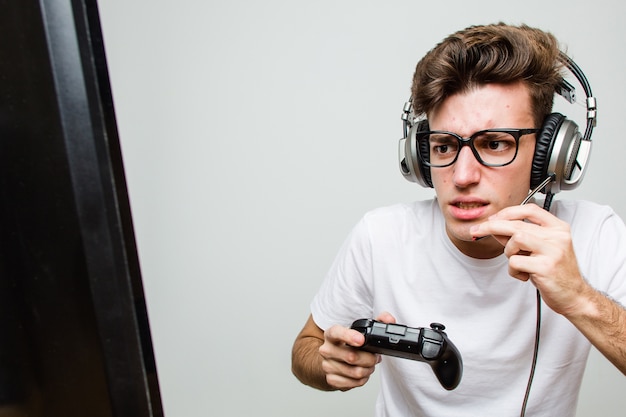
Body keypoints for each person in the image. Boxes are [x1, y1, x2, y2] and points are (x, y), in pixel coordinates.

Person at [291, 23, 626, 416]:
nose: (463, 176)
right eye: (444, 145)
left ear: (551, 155)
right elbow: (305, 350)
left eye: (495, 143)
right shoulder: (381, 235)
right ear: (420, 157)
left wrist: (579, 298)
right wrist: (330, 363)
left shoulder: (595, 234)